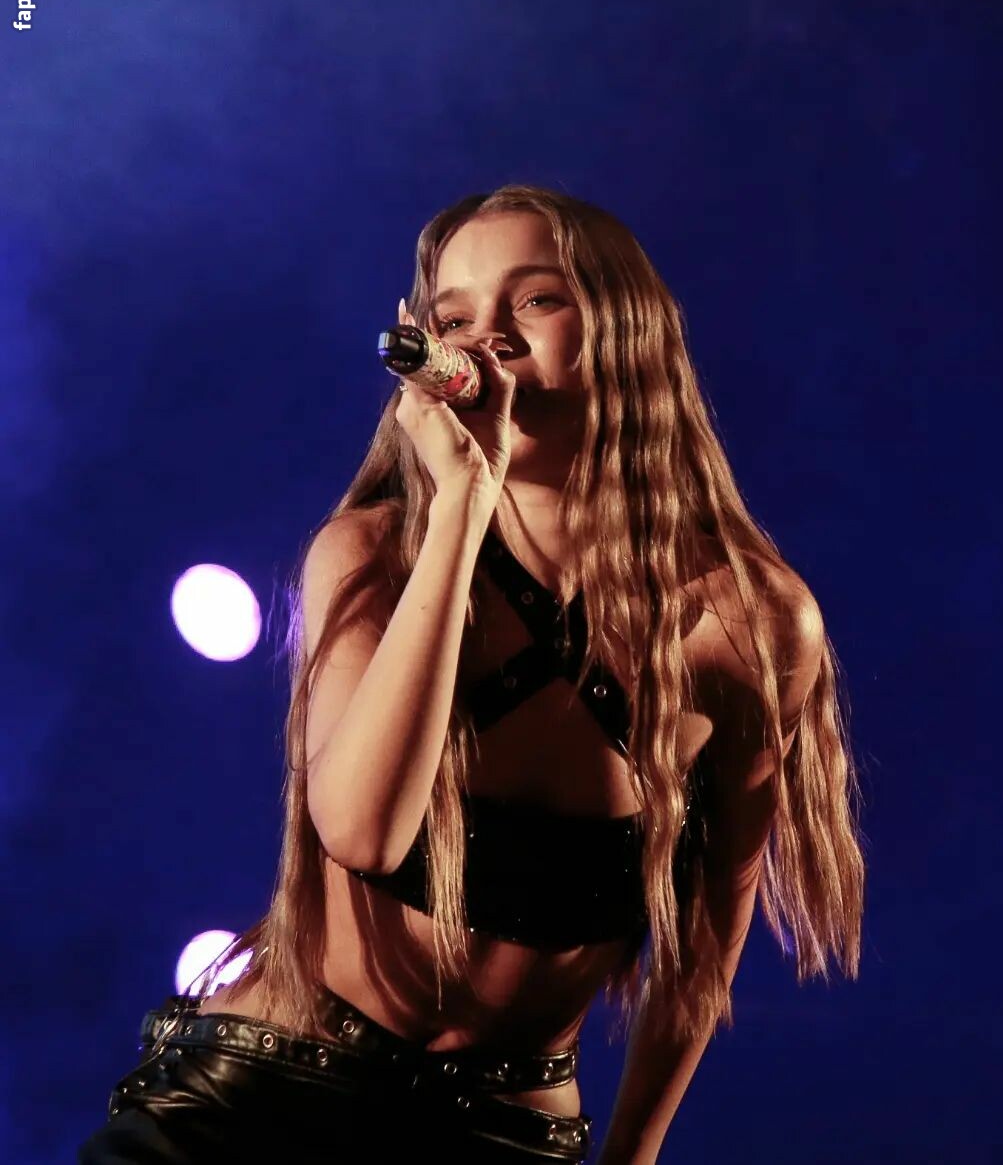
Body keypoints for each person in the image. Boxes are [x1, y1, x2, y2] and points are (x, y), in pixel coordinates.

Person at [79, 185, 865, 1164]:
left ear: (627, 327)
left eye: (535, 299)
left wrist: (633, 1152)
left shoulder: (748, 619)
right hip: (269, 1093)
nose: (489, 336)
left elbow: (705, 944)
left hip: (506, 1128)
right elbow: (363, 830)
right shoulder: (370, 555)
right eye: (454, 318)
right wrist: (460, 501)